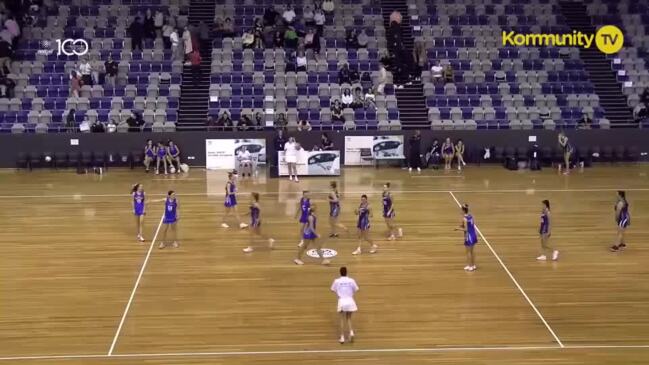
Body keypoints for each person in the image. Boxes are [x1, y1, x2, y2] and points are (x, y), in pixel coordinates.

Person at [331, 266, 359, 344]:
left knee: (342, 319)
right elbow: (356, 289)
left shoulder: (337, 281)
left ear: (340, 273)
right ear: (347, 272)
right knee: (349, 318)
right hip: (350, 300)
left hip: (342, 301)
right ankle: (351, 332)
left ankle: (342, 337)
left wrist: (339, 292)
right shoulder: (351, 280)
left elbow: (332, 289)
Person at [454, 203, 478, 271]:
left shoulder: (464, 219)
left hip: (468, 236)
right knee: (472, 251)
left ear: (463, 211)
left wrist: (457, 229)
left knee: (468, 252)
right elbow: (468, 225)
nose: (461, 211)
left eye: (461, 210)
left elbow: (466, 229)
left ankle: (469, 266)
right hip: (473, 234)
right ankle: (473, 265)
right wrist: (460, 226)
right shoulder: (471, 216)